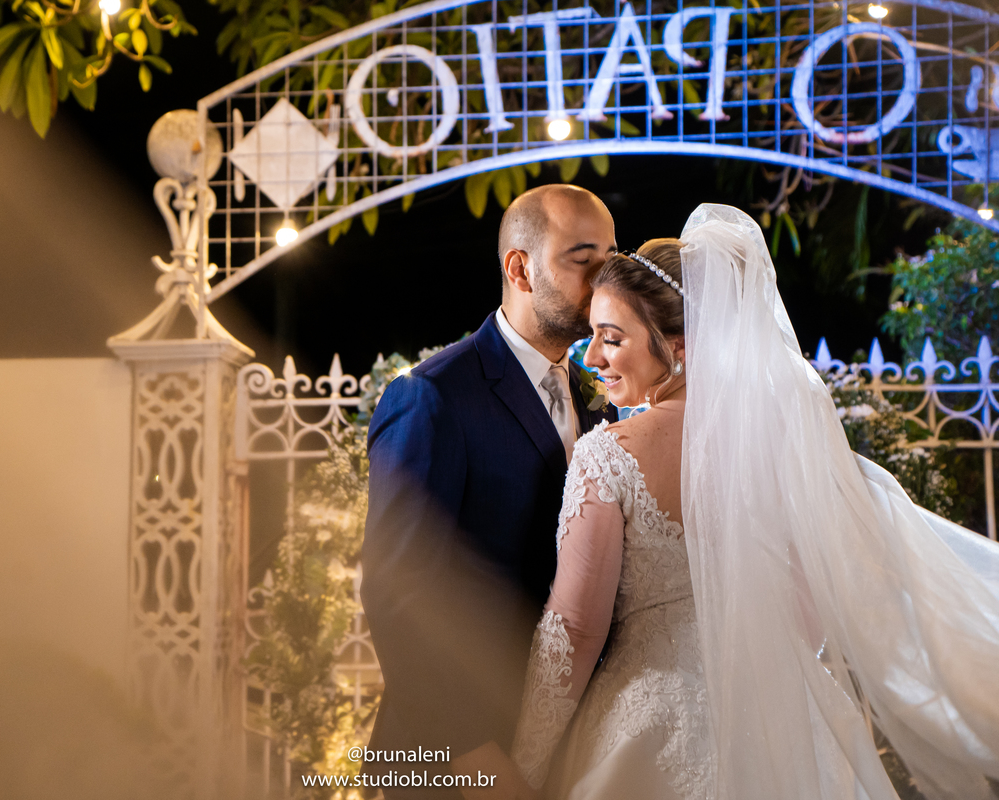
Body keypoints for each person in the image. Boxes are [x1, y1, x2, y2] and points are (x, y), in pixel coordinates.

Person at [511, 203, 999, 800]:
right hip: (785, 722)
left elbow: (576, 630)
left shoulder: (607, 457)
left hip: (648, 731)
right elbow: (810, 613)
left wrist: (526, 765)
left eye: (611, 338)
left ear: (679, 345)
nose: (591, 357)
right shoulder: (782, 451)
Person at [360, 184, 619, 800]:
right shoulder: (434, 396)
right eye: (584, 260)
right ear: (520, 268)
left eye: (611, 259)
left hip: (560, 744)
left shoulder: (595, 400)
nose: (604, 281)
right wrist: (471, 754)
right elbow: (399, 591)